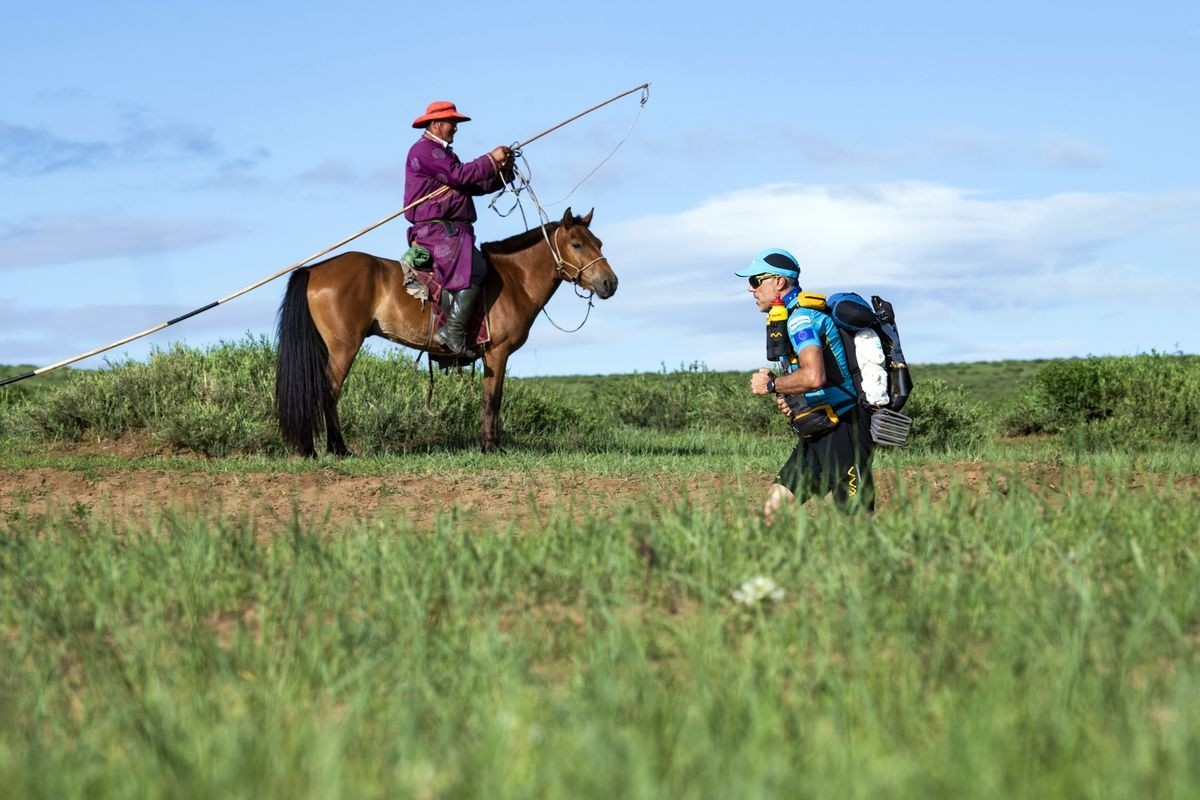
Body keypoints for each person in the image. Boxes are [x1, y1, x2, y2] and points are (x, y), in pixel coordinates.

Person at [738, 248, 876, 517]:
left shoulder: (801, 318)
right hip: (819, 429)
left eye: (756, 280)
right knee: (773, 510)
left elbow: (813, 376)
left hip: (844, 429)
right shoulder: (789, 315)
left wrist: (770, 386)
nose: (750, 288)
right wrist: (789, 397)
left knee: (857, 520)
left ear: (779, 281)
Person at [405, 100, 514, 353]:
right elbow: (459, 175)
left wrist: (502, 173)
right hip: (436, 230)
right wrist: (490, 158)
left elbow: (469, 184)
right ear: (436, 124)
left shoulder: (442, 153)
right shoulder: (425, 151)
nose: (455, 128)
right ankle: (452, 331)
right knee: (477, 269)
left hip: (450, 230)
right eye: (451, 123)